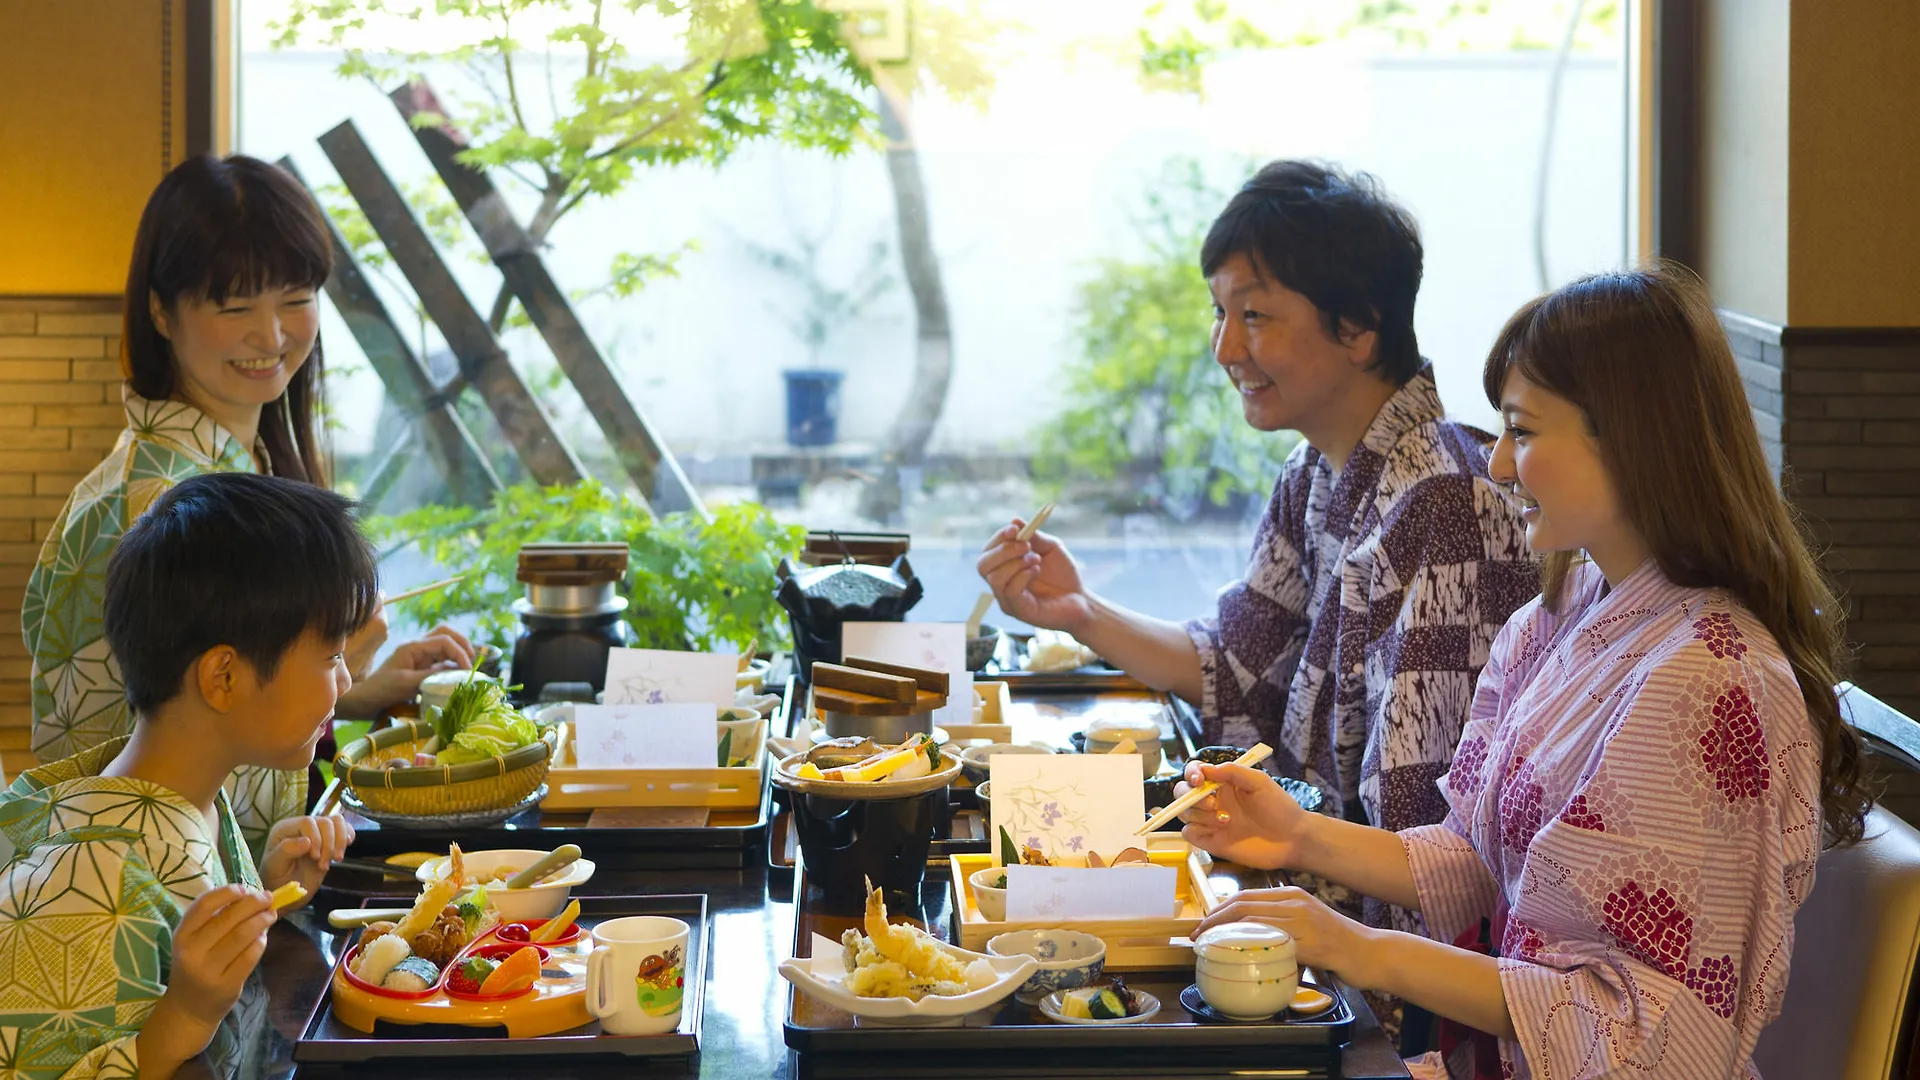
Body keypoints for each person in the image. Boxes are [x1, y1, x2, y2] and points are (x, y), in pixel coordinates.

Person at [1177, 265, 1869, 1079]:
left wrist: (1360, 949)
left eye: (1525, 432)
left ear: (1635, 436)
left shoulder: (1712, 683)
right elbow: (1476, 855)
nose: (1499, 465)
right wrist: (1296, 835)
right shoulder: (1559, 613)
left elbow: (1644, 1034)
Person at [979, 160, 1537, 950]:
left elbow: (1421, 836)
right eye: (1219, 313)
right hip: (1310, 896)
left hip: (1389, 966)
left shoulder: (1443, 500)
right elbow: (1235, 661)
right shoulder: (1314, 471)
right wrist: (1078, 612)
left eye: (1255, 315)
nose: (1224, 348)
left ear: (1359, 325)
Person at [21, 154, 472, 857]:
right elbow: (126, 773)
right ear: (161, 311)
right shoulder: (150, 504)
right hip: (169, 925)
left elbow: (207, 710)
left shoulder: (238, 465)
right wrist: (332, 658)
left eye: (295, 298)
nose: (272, 337)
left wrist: (345, 687)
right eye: (235, 307)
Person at [0, 473, 369, 1080]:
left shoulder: (185, 798)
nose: (346, 683)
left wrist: (264, 895)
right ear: (222, 678)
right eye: (331, 656)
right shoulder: (86, 890)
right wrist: (183, 1016)